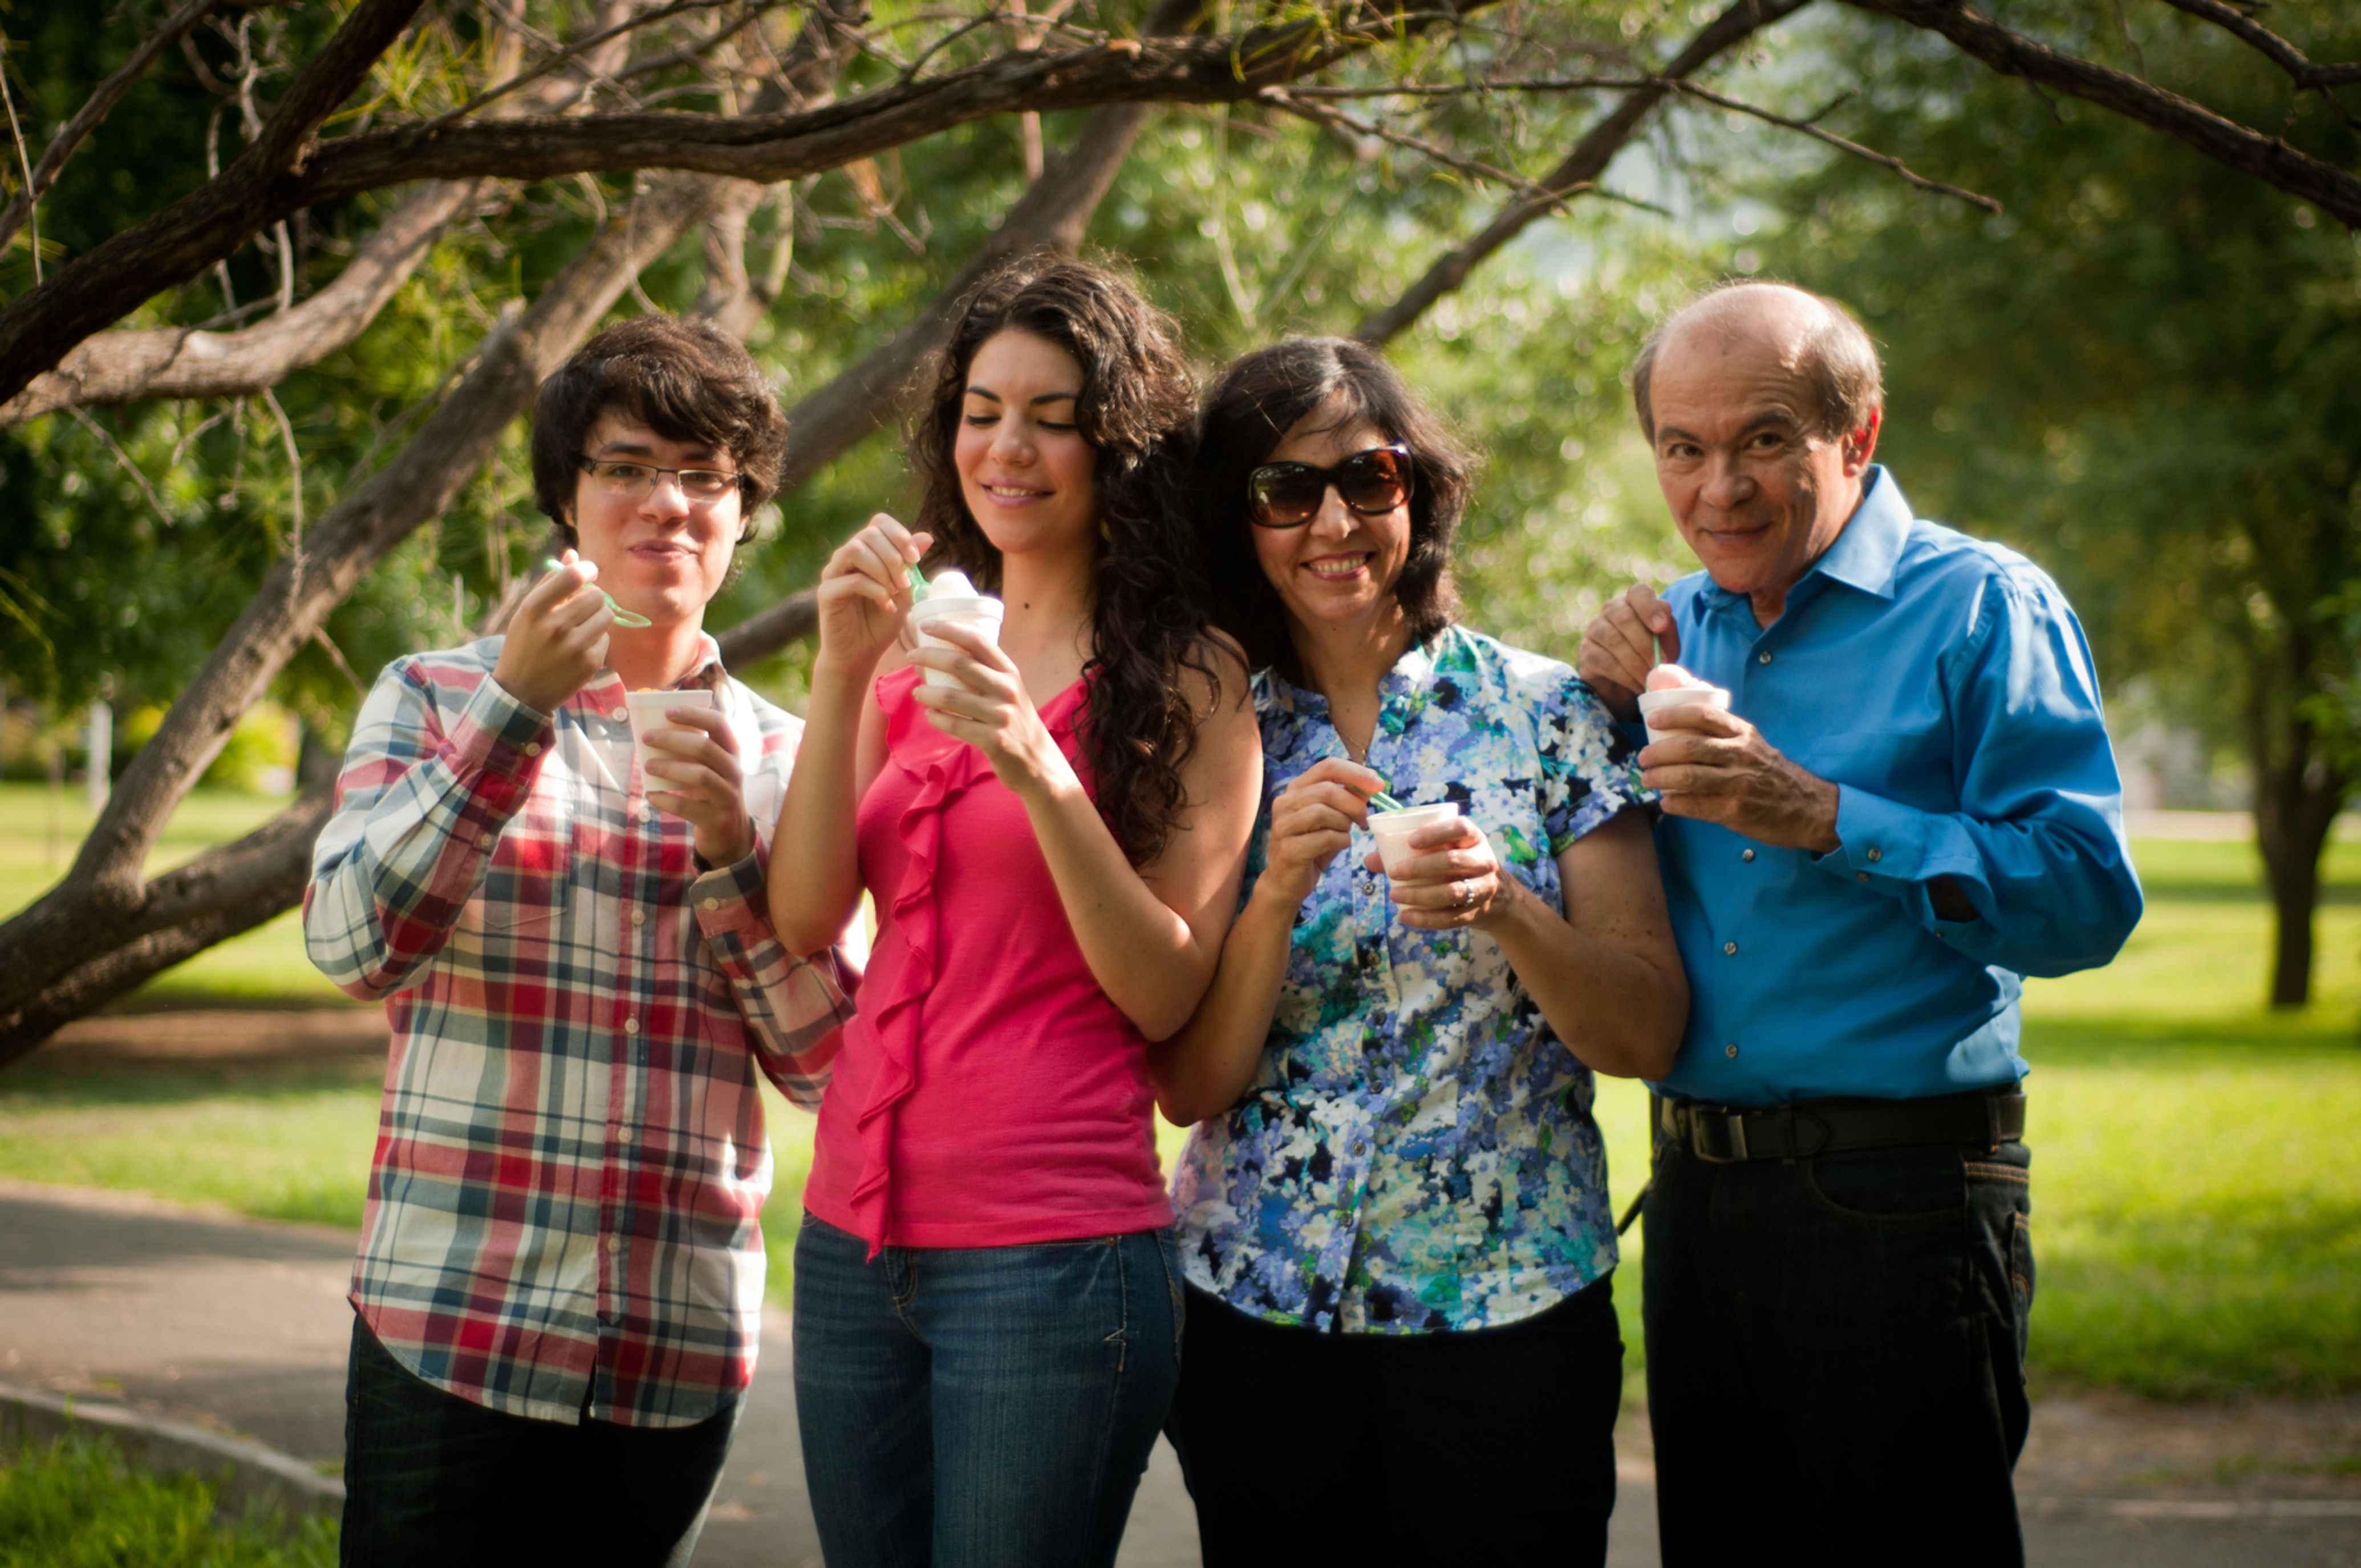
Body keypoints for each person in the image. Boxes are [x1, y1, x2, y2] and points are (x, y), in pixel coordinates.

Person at [1576, 281, 2145, 1565]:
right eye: (1683, 447)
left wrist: (1827, 815)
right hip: (1696, 1196)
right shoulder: (1672, 632)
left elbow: (2085, 897)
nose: (1720, 487)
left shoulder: (1983, 608)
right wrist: (1602, 710)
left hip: (1901, 1199)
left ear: (1859, 434)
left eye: (1765, 439)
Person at [303, 315, 848, 1567]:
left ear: (744, 514)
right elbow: (350, 947)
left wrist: (732, 856)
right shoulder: (433, 693)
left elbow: (830, 1067)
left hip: (672, 1349)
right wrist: (512, 714)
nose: (669, 502)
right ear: (568, 496)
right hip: (451, 1321)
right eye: (627, 466)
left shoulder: (786, 758)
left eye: (705, 475)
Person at [1156, 337, 1689, 1566]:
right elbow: (1187, 1086)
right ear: (1237, 518)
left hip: (1509, 1314)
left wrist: (1507, 906)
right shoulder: (1211, 734)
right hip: (1258, 1310)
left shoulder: (1547, 715)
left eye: (1368, 477)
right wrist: (1274, 893)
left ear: (1420, 491)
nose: (1333, 521)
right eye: (1285, 491)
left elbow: (1646, 1031)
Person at [765, 258, 1261, 1568]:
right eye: (983, 413)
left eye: (1053, 417)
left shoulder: (1193, 675)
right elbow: (806, 915)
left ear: (1120, 443)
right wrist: (839, 671)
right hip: (851, 1241)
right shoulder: (910, 647)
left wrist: (1037, 764)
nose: (1009, 448)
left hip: (1052, 1257)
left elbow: (1166, 992)